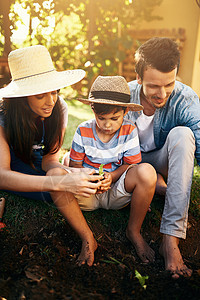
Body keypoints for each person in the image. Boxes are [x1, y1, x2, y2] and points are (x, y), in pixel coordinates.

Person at [0, 45, 104, 266]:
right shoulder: (3, 117)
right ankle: (88, 237)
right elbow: (3, 175)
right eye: (40, 95)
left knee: (58, 172)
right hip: (11, 171)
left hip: (38, 168)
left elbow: (49, 160)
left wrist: (72, 173)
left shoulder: (60, 108)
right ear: (22, 97)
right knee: (58, 181)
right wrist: (60, 182)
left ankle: (88, 239)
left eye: (55, 91)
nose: (51, 101)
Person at [126, 37, 200, 278]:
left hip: (162, 160)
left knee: (183, 134)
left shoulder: (185, 98)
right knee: (144, 172)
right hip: (131, 166)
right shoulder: (125, 95)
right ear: (139, 78)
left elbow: (198, 139)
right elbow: (108, 145)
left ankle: (170, 239)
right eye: (154, 86)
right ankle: (156, 186)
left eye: (169, 84)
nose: (163, 93)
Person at [66, 75, 157, 263]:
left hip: (116, 193)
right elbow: (75, 167)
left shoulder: (129, 130)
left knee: (147, 171)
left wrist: (112, 176)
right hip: (89, 193)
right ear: (93, 111)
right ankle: (87, 237)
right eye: (101, 118)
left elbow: (130, 165)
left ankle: (134, 231)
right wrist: (91, 180)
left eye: (114, 118)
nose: (108, 125)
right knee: (59, 176)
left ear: (125, 112)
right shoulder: (83, 131)